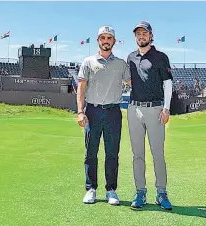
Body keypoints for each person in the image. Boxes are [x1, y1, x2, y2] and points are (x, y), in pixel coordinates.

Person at [76, 26, 131, 205]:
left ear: (113, 41)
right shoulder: (88, 61)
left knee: (112, 153)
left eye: (109, 38)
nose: (106, 41)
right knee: (91, 152)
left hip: (113, 112)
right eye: (103, 38)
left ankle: (111, 190)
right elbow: (81, 88)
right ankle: (91, 188)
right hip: (92, 111)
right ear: (98, 40)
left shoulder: (121, 64)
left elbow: (133, 82)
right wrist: (80, 111)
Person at [127, 21, 173, 210]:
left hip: (155, 110)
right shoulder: (130, 57)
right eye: (138, 34)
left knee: (158, 154)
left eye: (144, 33)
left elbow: (168, 83)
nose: (141, 36)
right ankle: (140, 192)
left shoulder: (161, 57)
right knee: (137, 154)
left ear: (151, 35)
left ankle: (161, 193)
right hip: (134, 110)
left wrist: (166, 108)